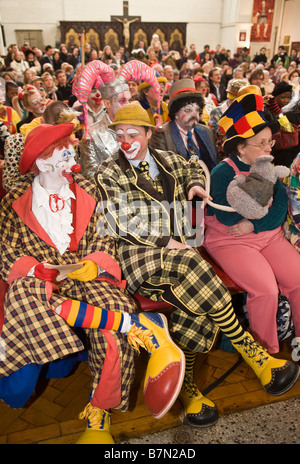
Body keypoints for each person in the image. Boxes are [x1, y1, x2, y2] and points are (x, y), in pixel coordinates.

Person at [95, 102, 300, 428]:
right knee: (193, 263)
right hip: (138, 256)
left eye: (133, 133)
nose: (125, 140)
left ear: (149, 134)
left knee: (197, 300)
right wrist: (168, 242)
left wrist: (194, 184)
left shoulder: (165, 160)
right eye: (119, 134)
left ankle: (189, 391)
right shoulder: (108, 170)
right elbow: (121, 220)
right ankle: (253, 353)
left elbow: (192, 165)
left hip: (180, 258)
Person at [0, 121, 185, 444]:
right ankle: (139, 324)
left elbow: (105, 235)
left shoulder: (88, 188)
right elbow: (5, 250)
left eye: (71, 146)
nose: (72, 154)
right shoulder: (14, 200)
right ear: (43, 162)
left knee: (111, 325)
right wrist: (34, 268)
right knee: (28, 296)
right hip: (41, 284)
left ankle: (100, 412)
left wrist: (93, 263)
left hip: (89, 276)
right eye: (63, 150)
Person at [203, 92, 300, 355]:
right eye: (261, 143)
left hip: (266, 235)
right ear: (241, 147)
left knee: (298, 278)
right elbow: (226, 216)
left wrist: (254, 225)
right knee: (266, 290)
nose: (269, 148)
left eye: (270, 141)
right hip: (230, 240)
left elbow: (279, 209)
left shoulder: (269, 163)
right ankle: (266, 352)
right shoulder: (222, 172)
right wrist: (250, 223)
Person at [150, 78, 217, 171]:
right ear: (176, 113)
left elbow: (214, 163)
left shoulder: (207, 131)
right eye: (188, 110)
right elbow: (163, 169)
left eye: (197, 110)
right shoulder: (162, 133)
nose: (194, 115)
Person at [79, 76, 132, 181]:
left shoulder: (138, 127)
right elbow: (90, 175)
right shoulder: (91, 134)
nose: (128, 105)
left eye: (129, 100)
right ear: (107, 103)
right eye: (122, 100)